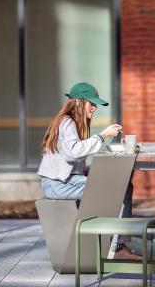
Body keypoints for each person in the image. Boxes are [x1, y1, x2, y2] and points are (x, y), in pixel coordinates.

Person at [37, 82, 141, 260]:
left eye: (95, 104)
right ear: (78, 102)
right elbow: (75, 151)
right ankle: (117, 247)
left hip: (64, 181)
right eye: (91, 103)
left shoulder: (72, 123)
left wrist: (93, 170)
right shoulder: (67, 122)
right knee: (122, 188)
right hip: (59, 185)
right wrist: (103, 135)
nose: (94, 107)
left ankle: (115, 243)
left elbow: (72, 159)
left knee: (124, 186)